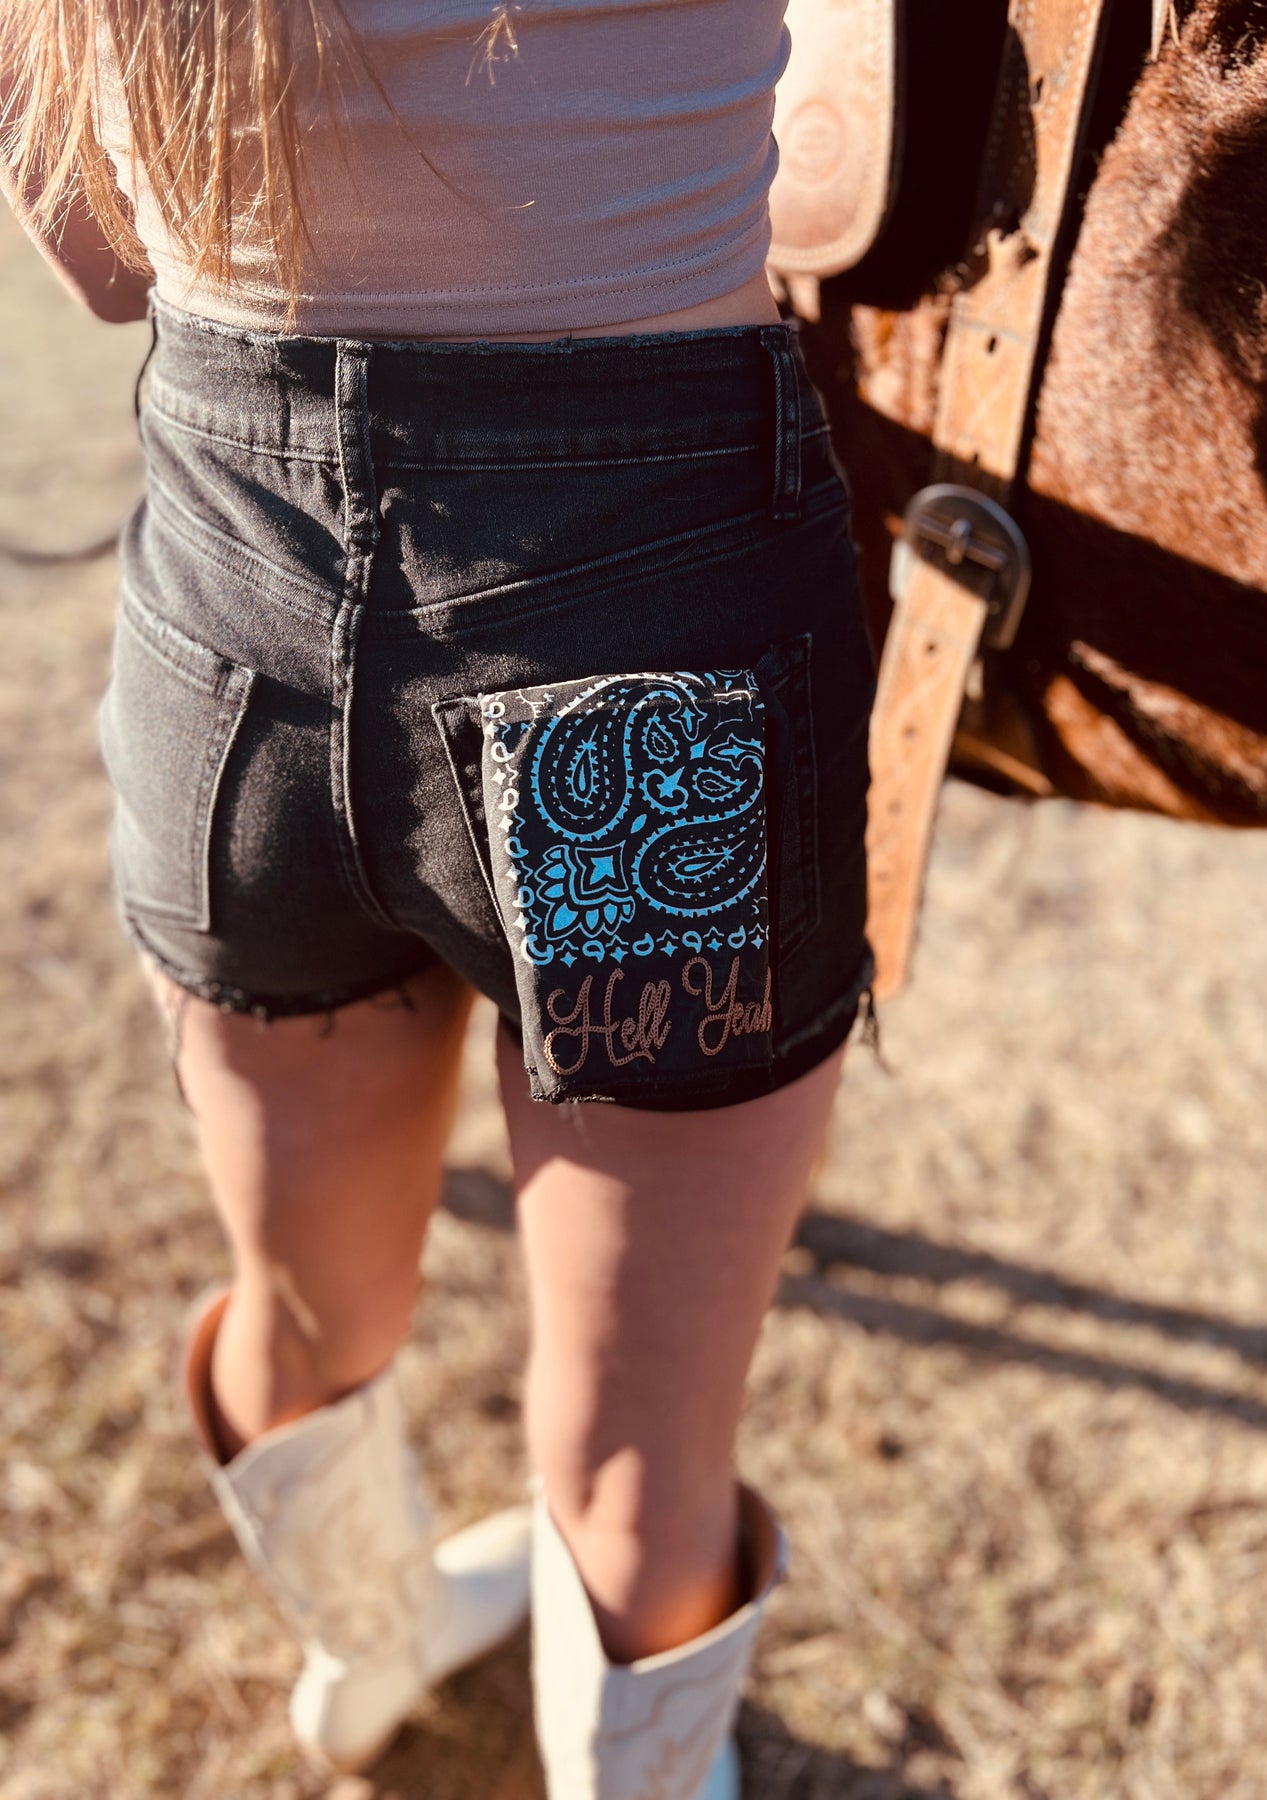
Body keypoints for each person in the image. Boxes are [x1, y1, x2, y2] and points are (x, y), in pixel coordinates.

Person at [0, 3, 875, 1792]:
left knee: (304, 1310)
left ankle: (369, 1647)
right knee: (634, 1474)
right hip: (640, 596)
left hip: (233, 603)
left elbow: (97, 258)